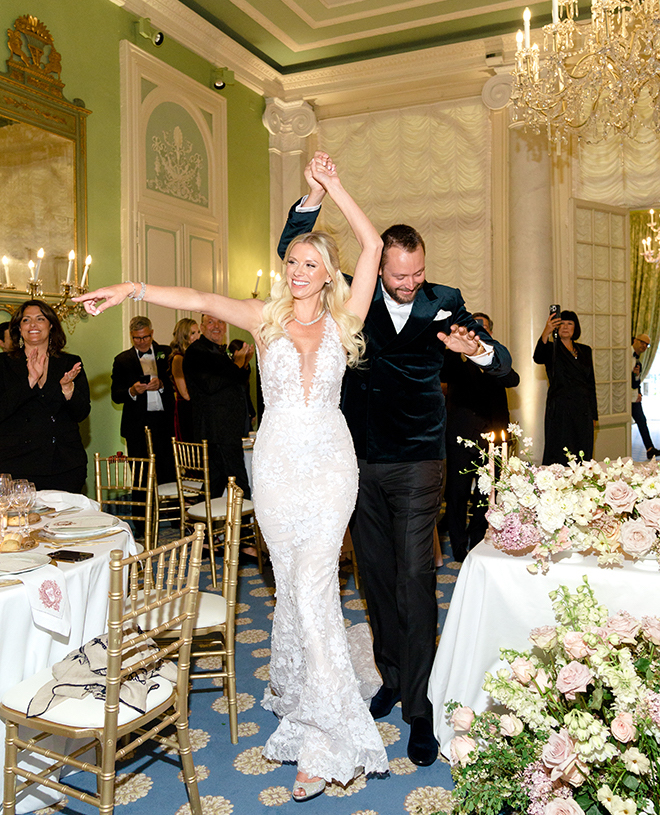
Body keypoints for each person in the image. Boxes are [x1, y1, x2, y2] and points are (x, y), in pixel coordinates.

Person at [74, 154, 389, 802]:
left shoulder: (344, 319)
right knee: (299, 594)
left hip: (331, 464)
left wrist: (332, 187)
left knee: (311, 586)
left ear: (327, 273)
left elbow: (375, 242)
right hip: (274, 468)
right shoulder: (262, 317)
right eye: (292, 263)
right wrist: (130, 288)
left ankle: (324, 739)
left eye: (310, 264)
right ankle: (312, 704)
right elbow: (193, 298)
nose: (299, 272)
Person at [277, 165, 513, 767]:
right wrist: (314, 194)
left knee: (415, 577)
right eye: (399, 275)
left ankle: (420, 707)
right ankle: (390, 673)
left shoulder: (445, 303)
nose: (410, 283)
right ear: (379, 268)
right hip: (355, 460)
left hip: (418, 459)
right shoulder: (349, 300)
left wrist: (477, 349)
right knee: (375, 579)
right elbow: (291, 251)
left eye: (418, 274)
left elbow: (504, 365)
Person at [442, 312, 520, 562]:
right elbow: (442, 373)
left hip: (494, 438)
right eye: (473, 327)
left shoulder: (498, 361)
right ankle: (457, 544)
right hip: (461, 436)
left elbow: (513, 379)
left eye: (482, 327)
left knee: (487, 494)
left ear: (490, 334)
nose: (477, 330)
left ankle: (477, 539)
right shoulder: (455, 360)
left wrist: (486, 359)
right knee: (457, 493)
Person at [0, 300, 90, 491]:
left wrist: (67, 390)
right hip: (17, 465)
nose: (33, 325)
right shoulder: (3, 364)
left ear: (51, 325)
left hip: (65, 464)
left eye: (40, 319)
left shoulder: (70, 363)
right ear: (19, 328)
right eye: (26, 320)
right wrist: (29, 381)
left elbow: (81, 413)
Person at [183, 315, 253, 498]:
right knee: (239, 484)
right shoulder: (196, 352)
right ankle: (243, 526)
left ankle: (201, 524)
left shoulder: (219, 352)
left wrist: (243, 364)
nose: (217, 326)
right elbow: (210, 386)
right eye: (211, 322)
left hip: (226, 429)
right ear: (202, 327)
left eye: (221, 322)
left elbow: (236, 384)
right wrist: (237, 364)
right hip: (217, 429)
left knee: (215, 483)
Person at [110, 315, 174, 483]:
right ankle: (142, 510)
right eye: (136, 338)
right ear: (132, 336)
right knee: (141, 476)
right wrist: (132, 391)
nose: (142, 341)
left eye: (145, 337)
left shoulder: (167, 353)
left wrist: (161, 385)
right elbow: (116, 395)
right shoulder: (122, 360)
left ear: (152, 333)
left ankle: (167, 509)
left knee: (168, 474)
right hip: (137, 425)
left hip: (165, 423)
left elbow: (180, 385)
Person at [534, 309, 598, 465]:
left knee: (583, 452)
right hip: (560, 409)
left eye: (570, 323)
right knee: (561, 452)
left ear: (575, 328)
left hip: (583, 409)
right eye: (561, 323)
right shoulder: (551, 348)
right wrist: (545, 332)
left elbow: (591, 383)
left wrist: (594, 414)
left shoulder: (585, 350)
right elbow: (538, 357)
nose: (565, 327)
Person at [169, 317, 200, 442]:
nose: (198, 336)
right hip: (186, 411)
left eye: (198, 332)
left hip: (197, 409)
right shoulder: (178, 359)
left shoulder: (196, 356)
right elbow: (186, 394)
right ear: (184, 336)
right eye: (193, 333)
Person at [631, 332, 660, 459]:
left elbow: (635, 383)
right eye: (643, 343)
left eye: (647, 345)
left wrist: (639, 392)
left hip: (633, 397)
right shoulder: (624, 354)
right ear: (635, 341)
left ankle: (650, 448)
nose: (644, 346)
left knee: (642, 421)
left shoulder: (638, 362)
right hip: (620, 398)